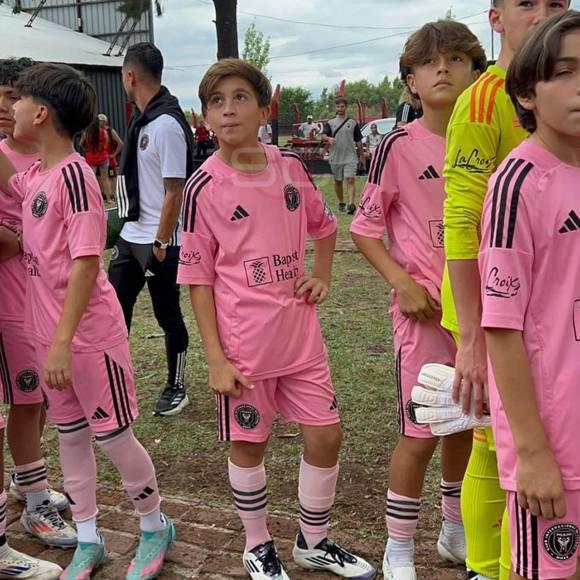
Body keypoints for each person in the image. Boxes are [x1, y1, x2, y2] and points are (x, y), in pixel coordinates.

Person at [177, 57, 377, 580]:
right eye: (215, 102)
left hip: (301, 338)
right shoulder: (203, 188)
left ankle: (313, 540)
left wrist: (323, 274)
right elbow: (197, 280)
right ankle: (257, 543)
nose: (227, 110)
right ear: (205, 117)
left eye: (239, 97)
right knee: (250, 443)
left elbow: (325, 225)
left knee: (326, 435)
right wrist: (215, 359)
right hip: (245, 349)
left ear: (263, 109)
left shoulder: (288, 166)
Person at [0, 62, 175, 580]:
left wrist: (59, 341)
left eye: (18, 101)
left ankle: (152, 524)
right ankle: (90, 536)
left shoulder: (74, 176)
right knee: (72, 437)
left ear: (41, 112)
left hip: (86, 339)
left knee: (113, 436)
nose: (8, 110)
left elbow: (84, 263)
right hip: (48, 336)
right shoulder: (35, 175)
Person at [351, 20, 486, 580]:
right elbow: (364, 228)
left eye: (457, 59)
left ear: (478, 73)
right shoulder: (397, 147)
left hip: (481, 316)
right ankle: (398, 548)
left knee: (467, 422)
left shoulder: (494, 141)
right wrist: (401, 282)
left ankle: (455, 530)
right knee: (419, 431)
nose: (444, 69)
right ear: (410, 81)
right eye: (430, 63)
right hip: (424, 316)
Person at [441, 1, 569, 578]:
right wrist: (471, 335)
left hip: (551, 295)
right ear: (495, 17)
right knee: (494, 443)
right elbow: (462, 212)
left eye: (556, 3)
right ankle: (484, 565)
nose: (541, 13)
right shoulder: (482, 98)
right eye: (527, 3)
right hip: (494, 307)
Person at [481, 11, 580, 578]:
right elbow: (501, 325)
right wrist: (534, 453)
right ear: (526, 91)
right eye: (564, 72)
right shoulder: (518, 183)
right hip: (557, 449)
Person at [0, 56, 71, 580]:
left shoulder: (52, 160)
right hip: (8, 303)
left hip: (40, 300)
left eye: (13, 98)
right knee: (21, 399)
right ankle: (32, 500)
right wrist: (26, 240)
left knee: (34, 398)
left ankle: (31, 487)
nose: (7, 109)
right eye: (1, 99)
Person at [110, 42, 195, 416]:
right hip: (131, 237)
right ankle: (112, 381)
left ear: (130, 76)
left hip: (161, 242)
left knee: (167, 316)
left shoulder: (167, 125)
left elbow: (175, 189)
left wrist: (161, 241)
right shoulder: (140, 120)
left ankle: (176, 385)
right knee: (112, 311)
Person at [322, 97, 364, 215]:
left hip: (350, 156)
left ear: (346, 107)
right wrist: (328, 138)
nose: (340, 109)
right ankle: (341, 202)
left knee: (350, 179)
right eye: (338, 106)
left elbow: (359, 141)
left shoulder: (353, 122)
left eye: (342, 106)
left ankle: (351, 205)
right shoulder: (330, 123)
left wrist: (361, 156)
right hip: (335, 156)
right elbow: (323, 136)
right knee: (338, 181)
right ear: (335, 108)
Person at [81, 114, 114, 202]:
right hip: (102, 156)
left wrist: (87, 149)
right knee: (105, 178)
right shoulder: (103, 132)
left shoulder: (86, 133)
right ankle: (109, 199)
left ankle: (95, 199)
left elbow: (81, 144)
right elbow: (106, 143)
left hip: (91, 157)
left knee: (92, 179)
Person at [104, 115, 124, 200]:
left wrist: (114, 154)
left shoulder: (109, 131)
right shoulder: (96, 131)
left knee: (112, 176)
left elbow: (120, 143)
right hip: (101, 159)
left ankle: (115, 195)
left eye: (102, 121)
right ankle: (108, 195)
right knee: (103, 177)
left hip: (110, 158)